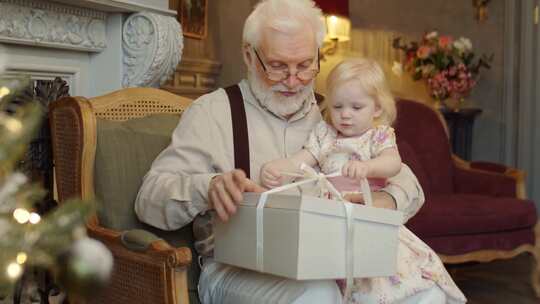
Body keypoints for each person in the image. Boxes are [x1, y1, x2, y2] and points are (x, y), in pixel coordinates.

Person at [134, 0, 453, 303]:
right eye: (277, 66)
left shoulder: (335, 112)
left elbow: (408, 182)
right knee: (317, 294)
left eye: (305, 65)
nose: (293, 80)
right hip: (239, 270)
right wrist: (208, 187)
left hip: (331, 261)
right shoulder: (213, 112)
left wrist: (383, 200)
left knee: (426, 294)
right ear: (249, 56)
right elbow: (149, 199)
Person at [260, 58, 467, 303]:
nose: (345, 115)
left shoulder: (378, 136)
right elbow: (300, 160)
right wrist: (275, 168)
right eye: (337, 107)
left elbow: (393, 164)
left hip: (369, 219)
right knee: (340, 276)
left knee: (389, 272)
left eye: (356, 108)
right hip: (333, 222)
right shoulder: (324, 135)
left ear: (377, 108)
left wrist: (368, 167)